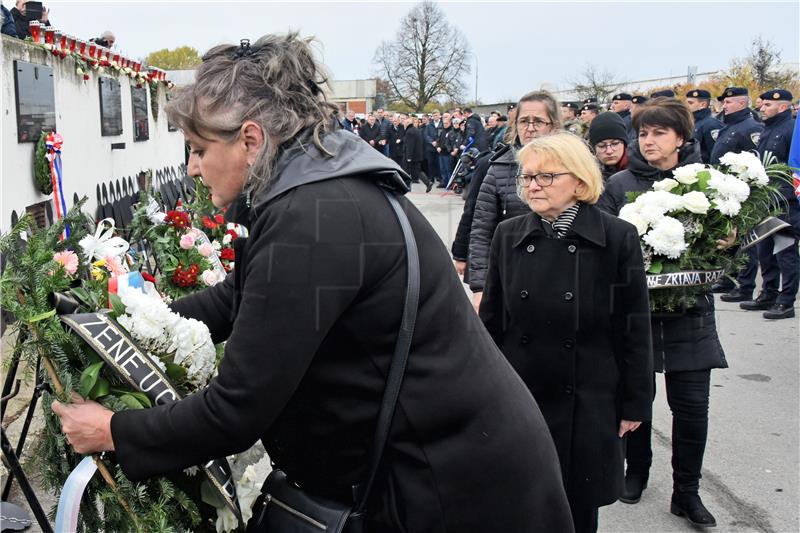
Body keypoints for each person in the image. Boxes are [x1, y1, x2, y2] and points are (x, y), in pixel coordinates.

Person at [51, 32, 574, 533]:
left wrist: (113, 431)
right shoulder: (311, 183)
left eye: (198, 148)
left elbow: (238, 408)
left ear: (251, 139)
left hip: (455, 485)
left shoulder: (313, 216)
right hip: (442, 462)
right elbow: (238, 297)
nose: (190, 168)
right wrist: (129, 324)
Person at [480, 132, 653, 533]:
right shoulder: (509, 234)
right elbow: (491, 323)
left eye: (546, 176)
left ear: (578, 180)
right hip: (522, 393)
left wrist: (634, 404)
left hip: (589, 397)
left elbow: (634, 328)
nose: (533, 186)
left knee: (577, 508)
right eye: (527, 178)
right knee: (521, 501)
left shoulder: (617, 237)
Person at [597, 97, 728, 529]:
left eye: (659, 133)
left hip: (690, 314)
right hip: (638, 317)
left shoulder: (705, 187)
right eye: (643, 133)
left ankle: (686, 492)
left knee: (692, 408)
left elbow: (721, 250)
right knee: (638, 401)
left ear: (681, 139)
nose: (648, 141)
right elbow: (603, 246)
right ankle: (636, 473)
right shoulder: (618, 187)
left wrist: (723, 247)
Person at [468, 90, 561, 311]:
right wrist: (480, 288)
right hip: (511, 276)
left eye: (538, 121)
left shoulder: (571, 167)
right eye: (523, 121)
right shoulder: (498, 168)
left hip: (561, 276)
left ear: (554, 125)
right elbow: (481, 230)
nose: (530, 128)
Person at [738, 89, 798, 319]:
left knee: (785, 250)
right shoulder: (768, 129)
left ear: (782, 107)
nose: (761, 108)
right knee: (764, 251)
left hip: (785, 202)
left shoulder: (791, 129)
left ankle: (786, 301)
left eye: (767, 106)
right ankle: (768, 293)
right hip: (766, 200)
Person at [685, 89, 723, 164]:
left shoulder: (712, 124)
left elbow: (715, 154)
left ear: (702, 104)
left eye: (690, 103)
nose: (686, 106)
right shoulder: (692, 123)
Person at [588, 112, 629, 180]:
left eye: (615, 144)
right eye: (601, 146)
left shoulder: (642, 170)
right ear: (593, 148)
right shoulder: (586, 173)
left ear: (625, 144)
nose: (609, 151)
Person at [403, 115, 433, 192]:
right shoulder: (416, 130)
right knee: (417, 171)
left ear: (407, 123)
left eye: (405, 122)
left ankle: (407, 187)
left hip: (411, 156)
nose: (404, 124)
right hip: (417, 155)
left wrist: (409, 157)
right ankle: (427, 183)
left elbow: (410, 145)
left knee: (406, 171)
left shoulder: (410, 132)